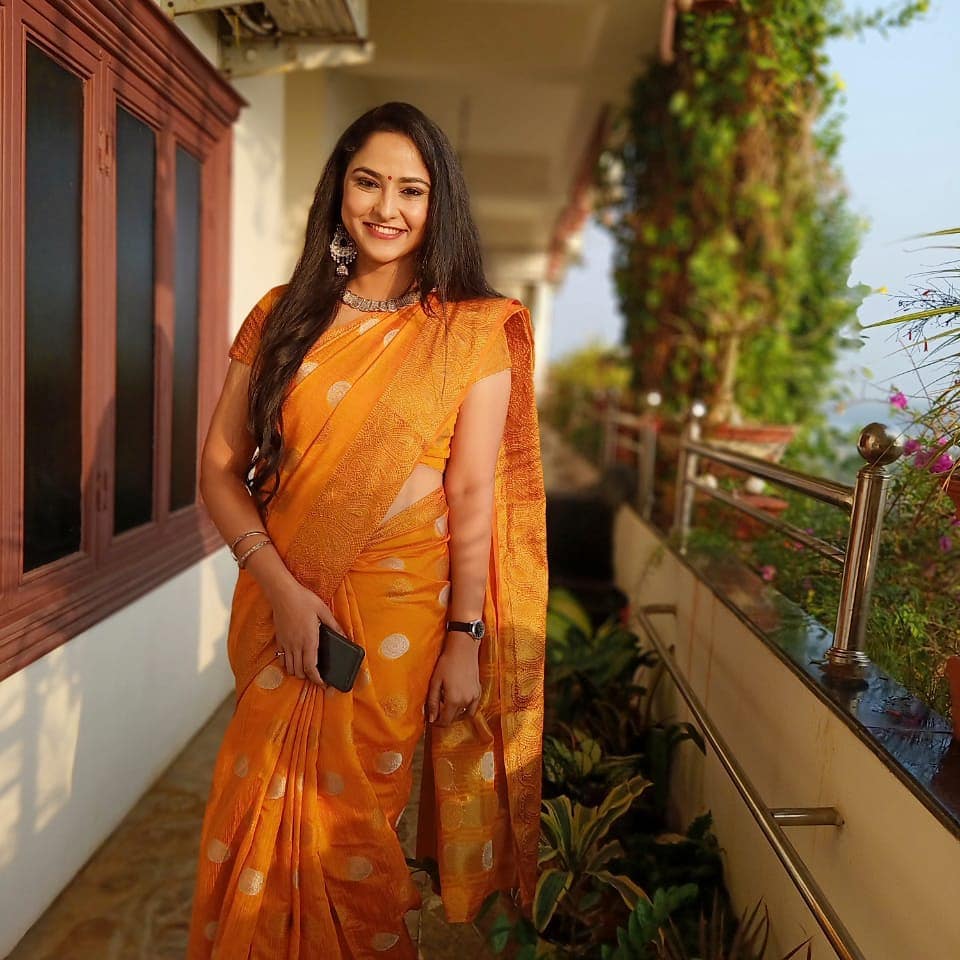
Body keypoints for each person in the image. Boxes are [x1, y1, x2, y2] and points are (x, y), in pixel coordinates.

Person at [186, 102, 547, 959]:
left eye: (412, 189)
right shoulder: (282, 315)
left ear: (438, 205)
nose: (387, 207)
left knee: (355, 827)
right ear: (339, 189)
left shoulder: (471, 331)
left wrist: (466, 637)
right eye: (369, 181)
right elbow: (217, 469)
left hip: (400, 615)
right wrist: (282, 590)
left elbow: (472, 495)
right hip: (281, 599)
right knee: (256, 817)